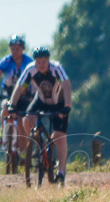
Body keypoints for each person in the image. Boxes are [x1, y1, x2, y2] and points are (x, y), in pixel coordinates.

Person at [8, 46, 72, 184]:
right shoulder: (30, 70)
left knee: (60, 137)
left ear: (48, 60)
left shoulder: (57, 69)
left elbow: (66, 86)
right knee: (26, 120)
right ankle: (38, 144)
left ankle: (61, 172)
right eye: (38, 62)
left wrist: (67, 106)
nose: (41, 65)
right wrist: (12, 105)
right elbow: (19, 87)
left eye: (44, 61)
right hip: (41, 100)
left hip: (59, 103)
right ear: (35, 62)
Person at [0, 35, 32, 151]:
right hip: (8, 91)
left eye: (17, 49)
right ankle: (3, 131)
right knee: (5, 107)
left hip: (23, 92)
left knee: (21, 120)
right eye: (12, 49)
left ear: (22, 49)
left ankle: (23, 152)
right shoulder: (6, 61)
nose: (15, 51)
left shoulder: (28, 62)